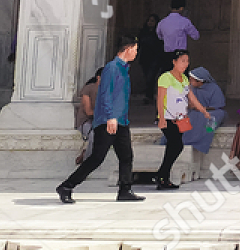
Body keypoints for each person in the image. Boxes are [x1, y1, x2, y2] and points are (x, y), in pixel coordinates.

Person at [57, 35, 143, 203]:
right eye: (135, 50)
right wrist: (110, 116)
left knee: (126, 156)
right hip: (108, 121)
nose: (136, 53)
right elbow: (105, 95)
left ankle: (125, 190)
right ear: (128, 49)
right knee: (97, 158)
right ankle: (66, 186)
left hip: (121, 121)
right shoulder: (111, 68)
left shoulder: (124, 69)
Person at [156, 49, 209, 189]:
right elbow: (160, 99)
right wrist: (161, 118)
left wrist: (203, 110)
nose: (185, 64)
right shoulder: (165, 77)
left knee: (173, 147)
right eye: (182, 61)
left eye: (187, 61)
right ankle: (161, 174)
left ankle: (163, 177)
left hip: (180, 119)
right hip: (168, 118)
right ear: (174, 62)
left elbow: (191, 97)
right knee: (176, 145)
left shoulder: (185, 79)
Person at [183, 67, 226, 157]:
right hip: (195, 111)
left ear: (200, 81)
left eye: (192, 80)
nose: (190, 81)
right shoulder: (190, 88)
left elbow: (218, 105)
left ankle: (199, 141)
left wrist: (203, 108)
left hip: (213, 111)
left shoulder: (214, 89)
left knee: (208, 119)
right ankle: (186, 140)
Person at [74, 67, 104, 165]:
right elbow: (88, 111)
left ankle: (87, 155)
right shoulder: (89, 89)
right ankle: (87, 162)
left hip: (100, 121)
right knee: (94, 135)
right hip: (86, 121)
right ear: (99, 78)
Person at [136, 14, 166, 98]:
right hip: (145, 57)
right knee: (147, 77)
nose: (150, 23)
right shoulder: (143, 32)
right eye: (149, 21)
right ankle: (149, 94)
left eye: (152, 21)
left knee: (151, 76)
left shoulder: (158, 33)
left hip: (155, 58)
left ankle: (148, 95)